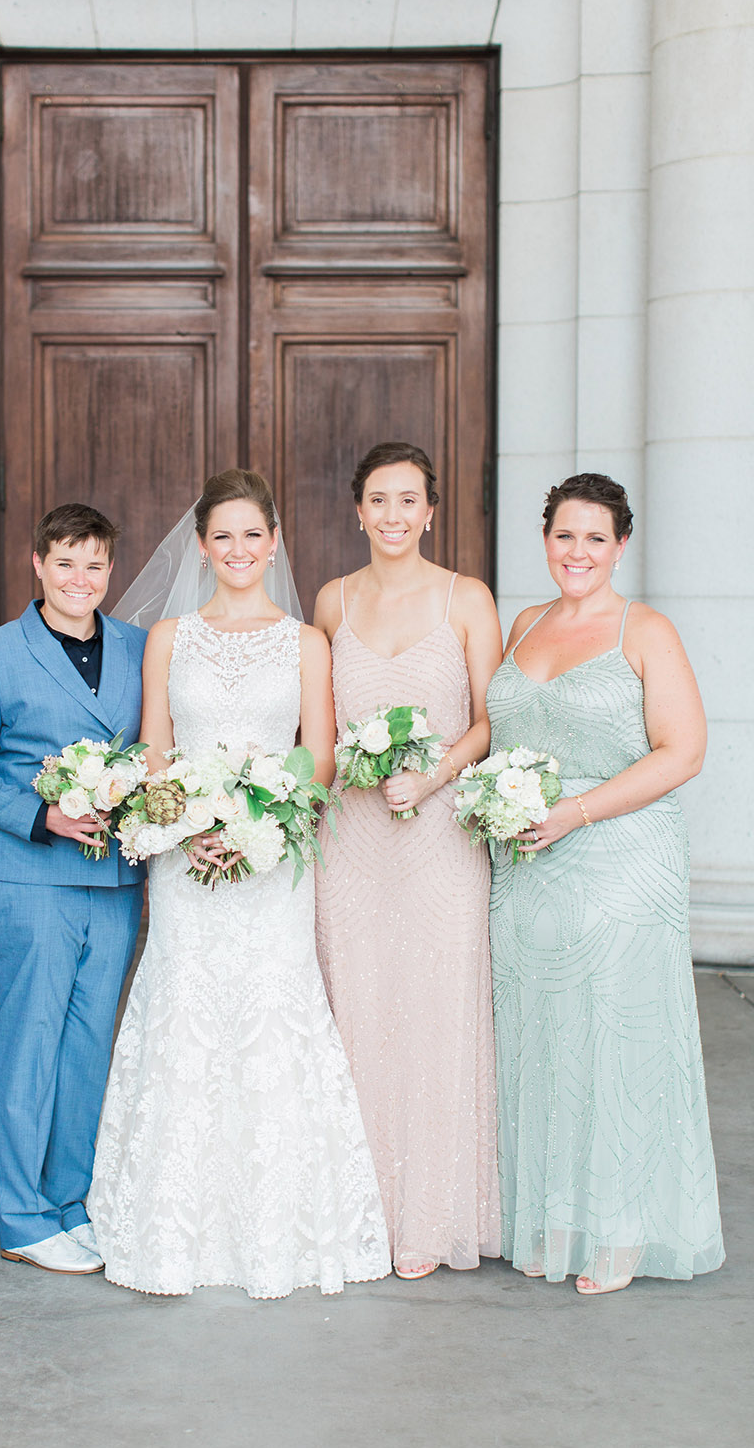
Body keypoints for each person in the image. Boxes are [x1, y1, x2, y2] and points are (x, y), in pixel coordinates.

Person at [88, 469, 391, 1298]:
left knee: (268, 1019)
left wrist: (255, 831)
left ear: (275, 539)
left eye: (252, 534)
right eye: (222, 535)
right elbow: (155, 752)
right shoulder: (169, 638)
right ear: (200, 545)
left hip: (270, 865)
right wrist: (186, 829)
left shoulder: (304, 642)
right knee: (186, 1012)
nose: (237, 550)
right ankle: (172, 1227)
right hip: (186, 867)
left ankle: (277, 1229)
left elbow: (319, 757)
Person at [487, 472, 724, 1294]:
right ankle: (556, 1216)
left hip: (621, 855)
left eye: (595, 537)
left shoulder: (645, 629)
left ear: (620, 545)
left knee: (616, 1043)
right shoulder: (523, 624)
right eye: (564, 535)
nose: (577, 551)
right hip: (526, 866)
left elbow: (683, 753)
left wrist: (575, 813)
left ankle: (623, 1231)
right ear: (545, 540)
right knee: (544, 1038)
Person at [313, 443, 503, 1280]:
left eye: (409, 500)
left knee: (434, 1013)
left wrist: (432, 775)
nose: (393, 516)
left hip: (438, 842)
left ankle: (429, 1217)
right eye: (378, 501)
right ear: (357, 511)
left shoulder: (467, 598)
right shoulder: (330, 602)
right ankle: (356, 1210)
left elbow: (495, 720)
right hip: (349, 843)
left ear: (432, 511)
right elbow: (311, 724)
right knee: (353, 1009)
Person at [0, 504, 146, 1275]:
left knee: (89, 1043)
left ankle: (69, 1203)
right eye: (66, 562)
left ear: (110, 571)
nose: (80, 579)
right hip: (27, 874)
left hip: (115, 876)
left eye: (94, 564)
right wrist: (43, 815)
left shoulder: (135, 646)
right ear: (37, 564)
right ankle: (23, 1216)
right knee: (30, 1039)